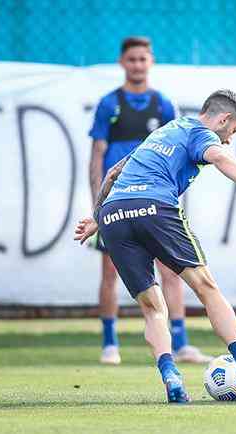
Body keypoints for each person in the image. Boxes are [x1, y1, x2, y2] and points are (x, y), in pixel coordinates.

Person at [75, 89, 236, 403]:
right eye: (232, 131)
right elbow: (221, 157)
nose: (228, 140)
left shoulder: (164, 131)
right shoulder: (200, 133)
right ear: (223, 119)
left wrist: (96, 218)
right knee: (206, 287)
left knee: (152, 307)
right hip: (155, 206)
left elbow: (115, 171)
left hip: (113, 214)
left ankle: (171, 376)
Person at [88, 36, 211, 365]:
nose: (137, 65)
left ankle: (181, 342)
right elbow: (97, 155)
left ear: (151, 62)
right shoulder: (108, 105)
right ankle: (109, 343)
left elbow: (181, 155)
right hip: (116, 201)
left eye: (143, 59)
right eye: (132, 59)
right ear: (122, 63)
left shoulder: (163, 105)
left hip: (157, 202)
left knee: (172, 272)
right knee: (110, 272)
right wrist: (96, 204)